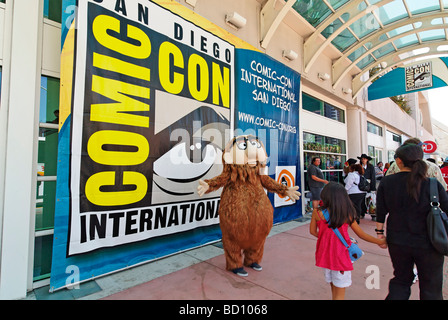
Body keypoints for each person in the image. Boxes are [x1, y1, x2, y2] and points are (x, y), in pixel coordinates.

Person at [376, 144, 448, 300]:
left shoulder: (387, 182)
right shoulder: (433, 184)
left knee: (401, 281)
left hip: (398, 241)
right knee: (431, 286)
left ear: (399, 161)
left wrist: (380, 235)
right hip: (430, 243)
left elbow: (381, 211)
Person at [309, 182, 387, 300]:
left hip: (325, 255)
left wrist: (327, 238)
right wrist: (380, 241)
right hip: (341, 256)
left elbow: (313, 232)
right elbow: (361, 234)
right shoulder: (347, 213)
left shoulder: (317, 212)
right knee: (340, 291)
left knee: (333, 287)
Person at [358, 154, 376, 218]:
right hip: (361, 185)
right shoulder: (359, 167)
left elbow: (373, 177)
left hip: (369, 185)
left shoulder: (371, 167)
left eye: (364, 159)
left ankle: (372, 214)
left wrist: (373, 188)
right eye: (362, 159)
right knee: (362, 200)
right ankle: (362, 213)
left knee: (370, 200)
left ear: (367, 160)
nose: (363, 160)